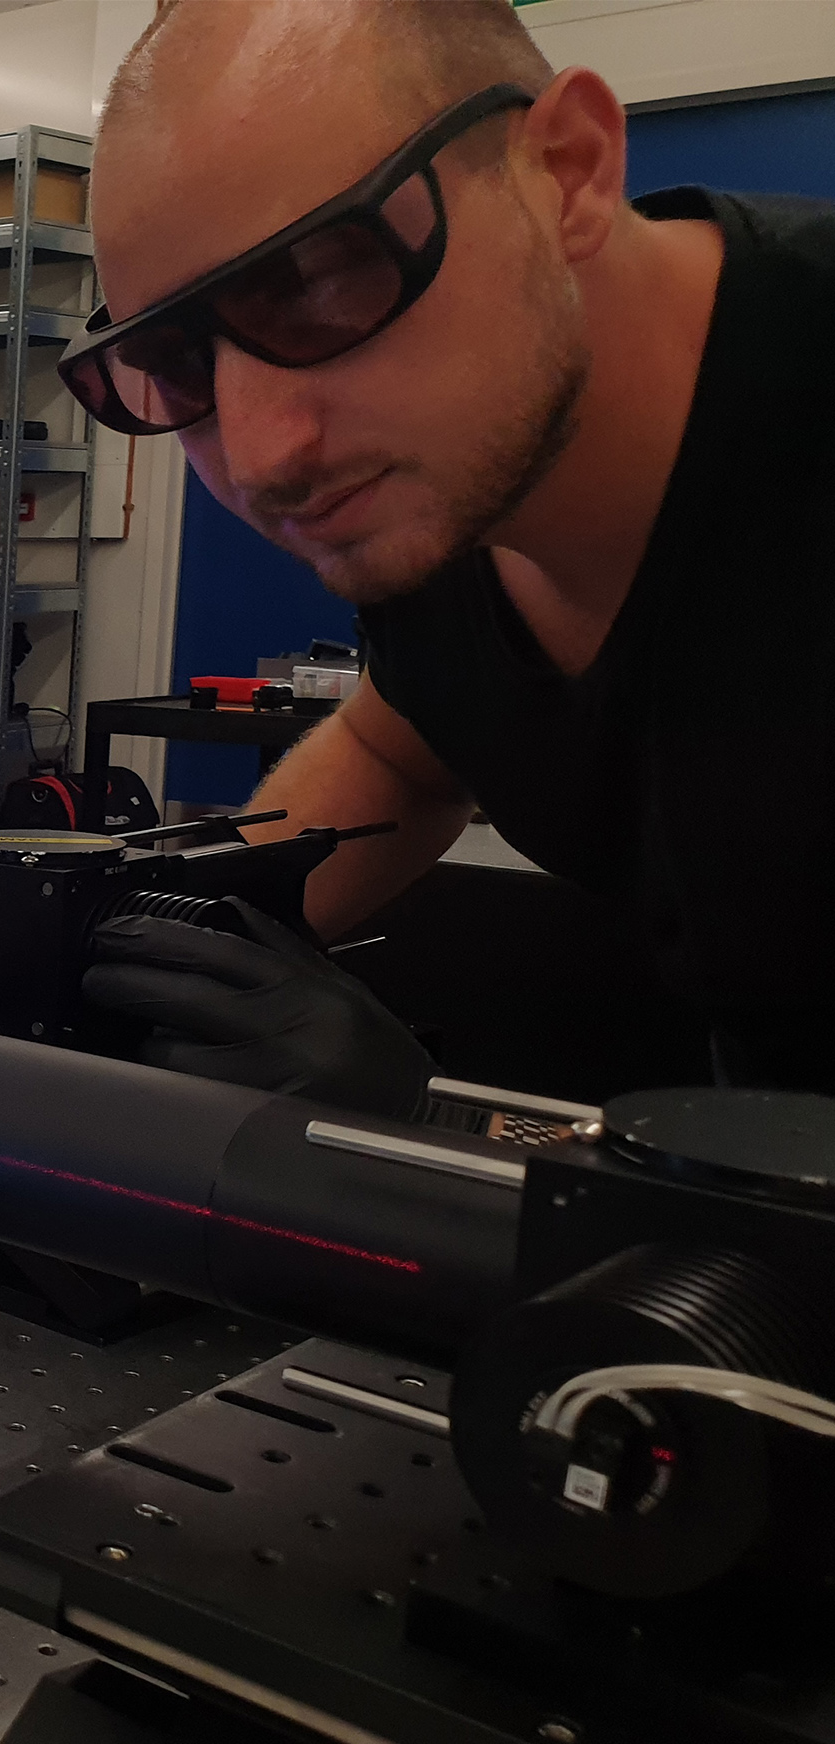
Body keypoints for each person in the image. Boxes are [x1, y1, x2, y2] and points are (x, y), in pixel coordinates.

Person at [63, 0, 835, 1111]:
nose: (266, 453)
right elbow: (399, 748)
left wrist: (438, 1140)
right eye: (173, 369)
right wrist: (168, 944)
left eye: (326, 280)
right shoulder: (451, 494)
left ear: (565, 170)